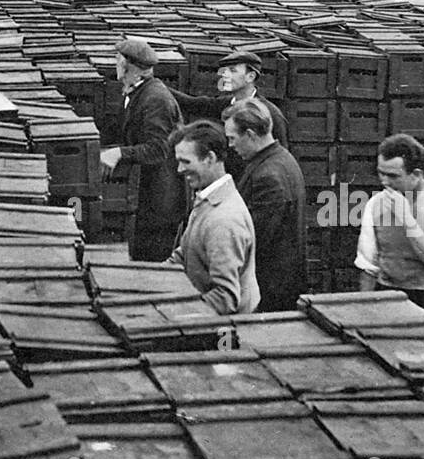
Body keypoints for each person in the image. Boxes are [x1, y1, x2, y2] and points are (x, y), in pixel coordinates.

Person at [355, 133, 424, 327]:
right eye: (381, 173)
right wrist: (365, 312)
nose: (384, 182)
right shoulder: (375, 204)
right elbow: (368, 265)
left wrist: (407, 219)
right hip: (388, 297)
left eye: (393, 176)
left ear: (416, 175)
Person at [100, 38, 185, 262]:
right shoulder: (136, 91)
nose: (115, 64)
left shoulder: (155, 99)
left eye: (118, 60)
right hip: (146, 194)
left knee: (152, 261)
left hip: (160, 201)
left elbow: (158, 149)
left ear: (131, 67)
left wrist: (120, 153)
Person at [167, 120, 259, 315]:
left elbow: (225, 297)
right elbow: (185, 255)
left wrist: (174, 315)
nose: (179, 170)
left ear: (209, 158)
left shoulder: (223, 219)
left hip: (225, 332)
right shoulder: (206, 201)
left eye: (186, 162)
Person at [225, 100, 307, 311]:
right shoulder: (280, 159)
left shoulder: (268, 176)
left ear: (251, 134)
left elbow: (254, 236)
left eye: (232, 138)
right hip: (277, 284)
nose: (230, 145)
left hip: (268, 290)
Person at [171, 47, 289, 160]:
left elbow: (280, 155)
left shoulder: (270, 114)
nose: (225, 75)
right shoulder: (226, 103)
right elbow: (193, 104)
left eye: (232, 70)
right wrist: (158, 85)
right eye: (225, 71)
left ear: (250, 76)